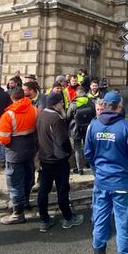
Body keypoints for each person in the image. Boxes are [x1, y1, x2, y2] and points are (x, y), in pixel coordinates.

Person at [84, 91, 128, 254]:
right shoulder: (126, 127)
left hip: (102, 181)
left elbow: (88, 154)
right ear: (119, 106)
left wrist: (99, 170)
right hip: (122, 182)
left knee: (100, 219)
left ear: (104, 106)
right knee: (124, 223)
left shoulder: (94, 125)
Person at [36, 92, 84, 233]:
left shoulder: (41, 115)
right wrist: (67, 153)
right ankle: (68, 218)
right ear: (56, 103)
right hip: (57, 159)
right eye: (61, 102)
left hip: (44, 158)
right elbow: (63, 140)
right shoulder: (56, 118)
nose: (63, 104)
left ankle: (44, 220)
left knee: (43, 190)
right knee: (62, 189)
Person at [0, 87, 39, 225]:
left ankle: (17, 213)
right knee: (28, 177)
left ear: (12, 98)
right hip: (30, 149)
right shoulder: (34, 109)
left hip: (14, 152)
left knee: (15, 182)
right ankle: (25, 201)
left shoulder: (8, 115)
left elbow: (3, 139)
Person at [67, 87, 95, 175]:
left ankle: (80, 169)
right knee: (88, 146)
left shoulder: (73, 103)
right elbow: (94, 114)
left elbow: (68, 116)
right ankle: (89, 164)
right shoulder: (90, 102)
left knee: (77, 149)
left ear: (76, 93)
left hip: (76, 129)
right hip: (88, 128)